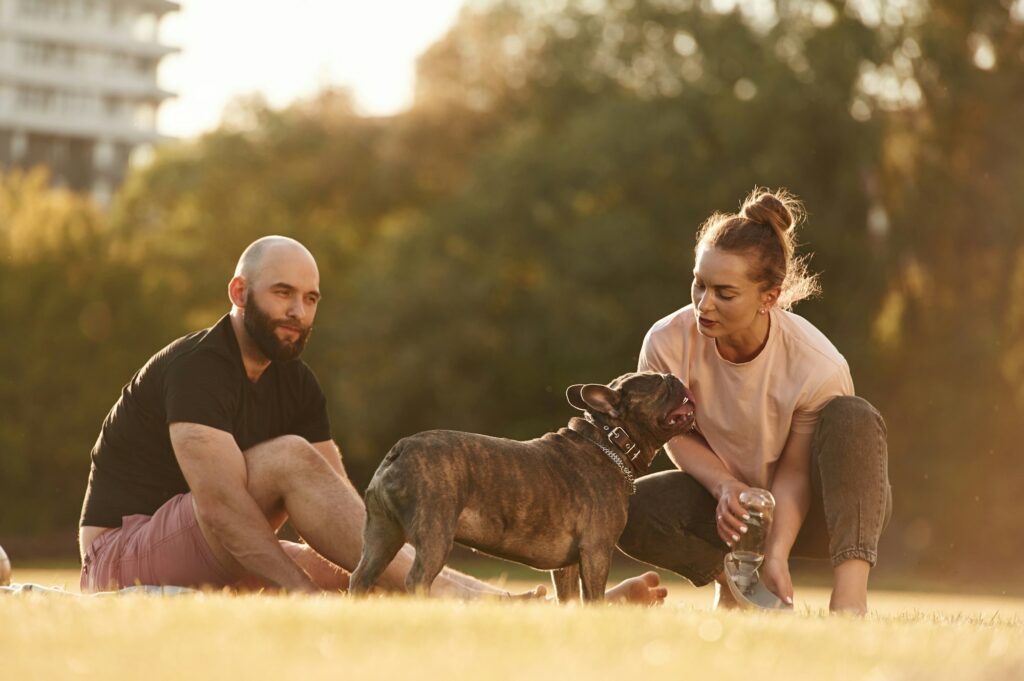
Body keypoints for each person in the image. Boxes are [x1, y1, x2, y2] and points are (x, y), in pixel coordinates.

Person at [78, 235, 666, 603]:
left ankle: (514, 609)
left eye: (310, 299)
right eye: (283, 292)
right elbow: (222, 508)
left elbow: (342, 510)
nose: (297, 311)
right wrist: (301, 598)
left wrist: (354, 569)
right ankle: (479, 602)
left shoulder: (295, 380)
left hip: (196, 545)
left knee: (367, 572)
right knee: (292, 472)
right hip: (121, 553)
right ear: (239, 291)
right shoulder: (199, 366)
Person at [616, 189, 891, 614]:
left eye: (724, 293)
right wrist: (725, 486)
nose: (704, 304)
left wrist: (776, 552)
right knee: (621, 507)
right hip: (727, 510)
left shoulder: (817, 363)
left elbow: (797, 470)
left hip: (820, 513)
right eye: (699, 284)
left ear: (769, 297)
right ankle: (735, 587)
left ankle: (850, 602)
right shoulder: (667, 341)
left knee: (853, 415)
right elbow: (673, 435)